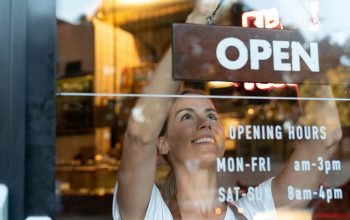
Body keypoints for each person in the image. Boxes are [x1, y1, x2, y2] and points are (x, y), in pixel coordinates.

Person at [113, 0, 342, 219]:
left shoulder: (255, 211)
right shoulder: (151, 214)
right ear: (163, 143)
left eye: (211, 115)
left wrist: (295, 36)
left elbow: (326, 137)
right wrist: (195, 24)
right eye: (186, 116)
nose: (205, 123)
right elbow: (139, 136)